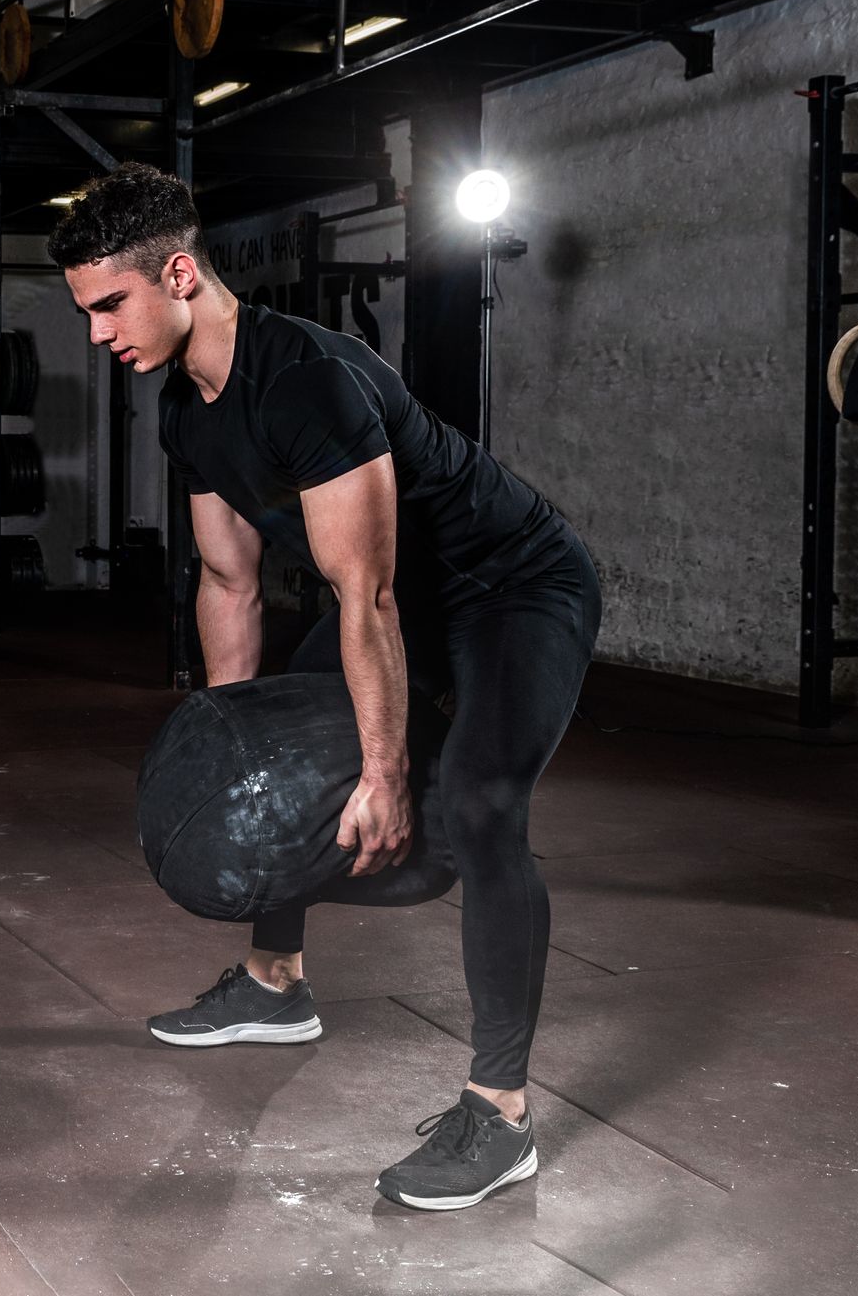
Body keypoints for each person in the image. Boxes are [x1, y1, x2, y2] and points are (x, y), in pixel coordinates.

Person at [48, 162, 601, 1212]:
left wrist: (385, 772)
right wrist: (232, 742)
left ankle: (501, 1111)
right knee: (273, 760)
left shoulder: (303, 377)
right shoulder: (186, 410)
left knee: (480, 806)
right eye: (85, 311)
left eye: (108, 304)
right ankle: (272, 983)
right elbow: (228, 577)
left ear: (176, 273)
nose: (96, 334)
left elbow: (368, 597)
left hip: (510, 590)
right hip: (400, 601)